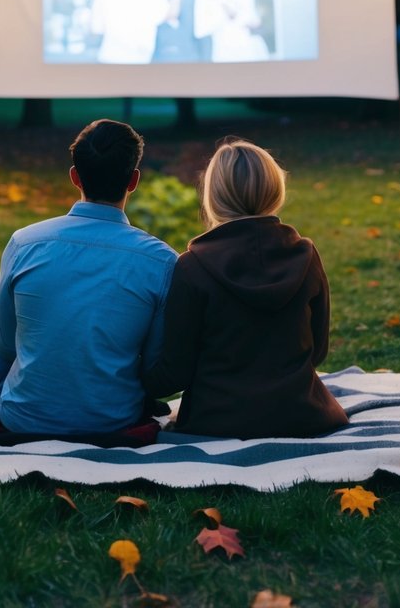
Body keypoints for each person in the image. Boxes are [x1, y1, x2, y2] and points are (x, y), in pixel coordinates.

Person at [0, 119, 177, 435]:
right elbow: (153, 365)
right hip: (114, 418)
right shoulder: (163, 261)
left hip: (24, 417)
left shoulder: (25, 242)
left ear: (74, 177)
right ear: (133, 180)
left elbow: (5, 349)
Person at [142, 139, 348, 439]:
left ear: (214, 196)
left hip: (216, 422)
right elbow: (317, 351)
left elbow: (176, 370)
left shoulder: (192, 267)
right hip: (303, 416)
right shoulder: (306, 256)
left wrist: (128, 378)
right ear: (275, 189)